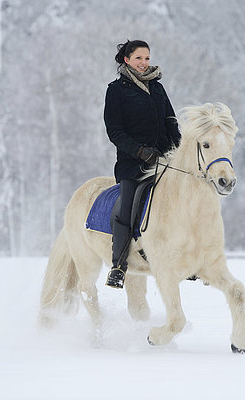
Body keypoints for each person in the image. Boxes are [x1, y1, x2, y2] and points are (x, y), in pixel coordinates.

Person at [104, 39, 181, 289]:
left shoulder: (158, 88)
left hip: (163, 162)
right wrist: (139, 151)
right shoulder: (116, 90)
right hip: (132, 164)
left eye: (147, 58)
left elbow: (171, 122)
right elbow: (114, 131)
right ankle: (118, 265)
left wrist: (177, 148)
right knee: (128, 208)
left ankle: (185, 260)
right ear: (127, 60)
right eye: (138, 58)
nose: (144, 63)